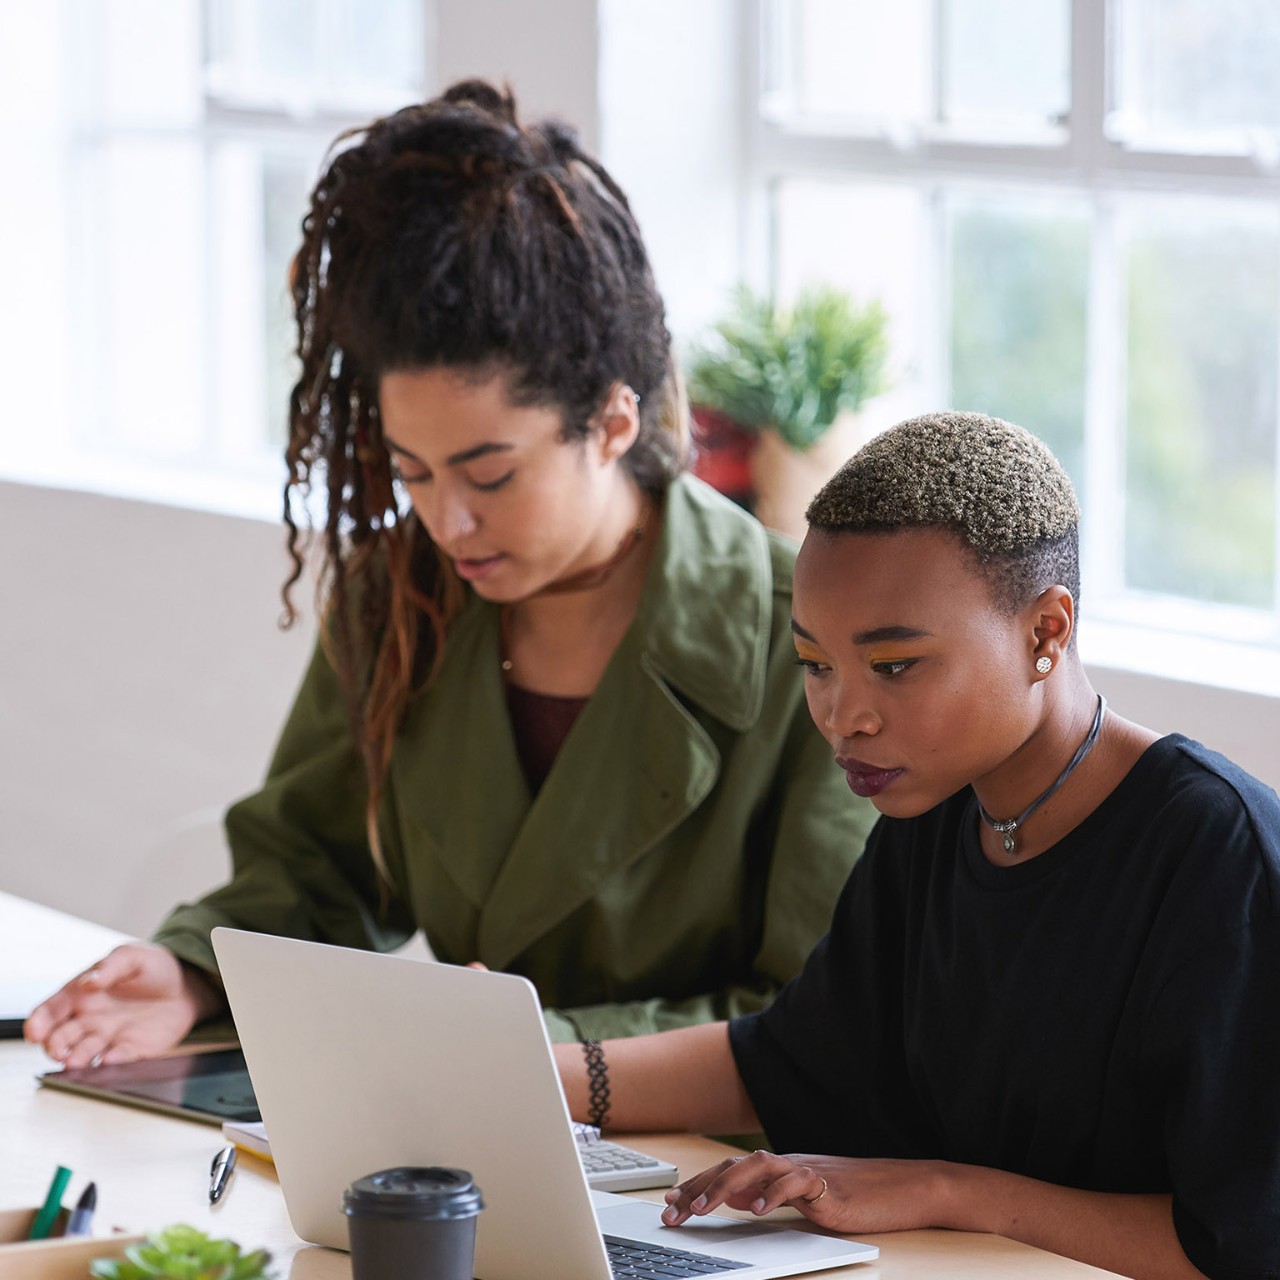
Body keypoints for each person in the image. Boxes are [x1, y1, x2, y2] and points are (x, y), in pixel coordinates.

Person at [25, 79, 877, 1068]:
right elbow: (315, 867)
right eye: (410, 471)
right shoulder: (403, 594)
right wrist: (192, 971)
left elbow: (818, 1012)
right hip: (472, 1130)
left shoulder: (807, 637)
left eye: (489, 472)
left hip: (730, 1184)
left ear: (610, 420)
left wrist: (524, 1049)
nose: (447, 519)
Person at [550, 411, 1280, 1280]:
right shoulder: (937, 805)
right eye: (816, 664)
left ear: (1046, 632)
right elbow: (788, 1060)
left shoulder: (1219, 859)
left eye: (893, 666)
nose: (842, 717)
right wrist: (527, 1071)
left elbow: (1239, 1243)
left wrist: (945, 1189)